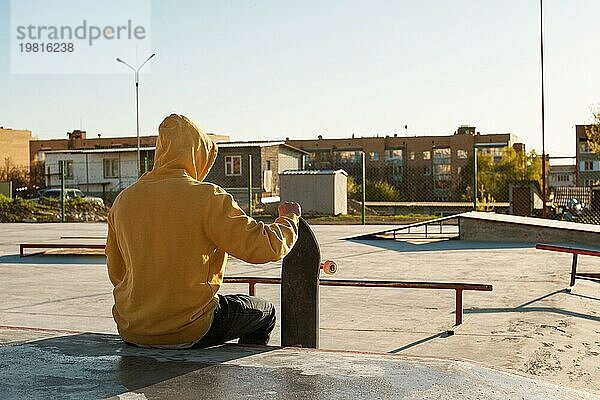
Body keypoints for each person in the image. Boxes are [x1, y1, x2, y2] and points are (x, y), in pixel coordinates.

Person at [106, 114, 301, 349]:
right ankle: (249, 379)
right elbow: (264, 248)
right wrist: (288, 218)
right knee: (264, 313)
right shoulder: (207, 197)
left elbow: (117, 271)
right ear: (198, 155)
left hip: (133, 329)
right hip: (190, 329)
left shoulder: (124, 200)